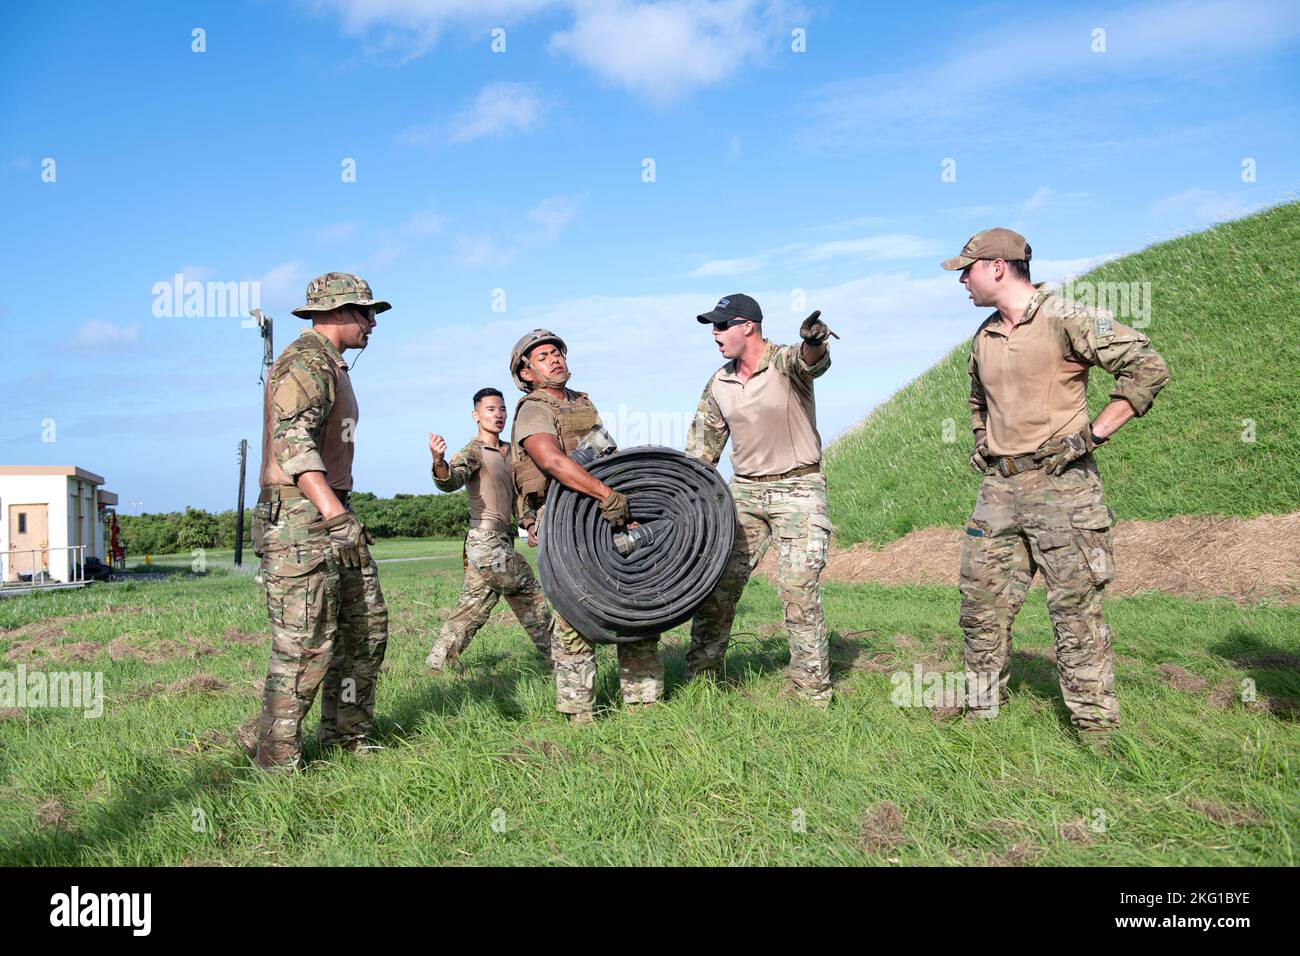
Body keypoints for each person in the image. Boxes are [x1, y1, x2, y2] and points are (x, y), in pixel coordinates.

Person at [944, 228, 1170, 744]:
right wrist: (982, 438)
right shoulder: (984, 335)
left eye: (968, 268)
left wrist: (1093, 434)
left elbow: (1147, 366)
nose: (962, 279)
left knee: (1073, 609)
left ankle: (1096, 732)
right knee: (981, 605)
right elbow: (977, 399)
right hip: (998, 491)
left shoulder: (1066, 318)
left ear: (998, 267)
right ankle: (982, 718)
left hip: (1062, 488)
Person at [238, 272, 391, 769]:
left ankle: (346, 737)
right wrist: (333, 513)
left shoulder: (332, 365)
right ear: (340, 312)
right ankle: (276, 757)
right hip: (303, 517)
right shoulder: (305, 362)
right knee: (305, 643)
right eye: (366, 312)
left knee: (363, 629)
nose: (372, 322)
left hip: (329, 510)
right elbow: (293, 443)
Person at [684, 293, 837, 705]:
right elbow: (701, 450)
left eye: (721, 326)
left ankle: (812, 694)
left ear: (747, 326)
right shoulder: (719, 382)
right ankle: (701, 682)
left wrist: (815, 340)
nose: (714, 335)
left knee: (797, 588)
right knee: (716, 586)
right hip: (745, 493)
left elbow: (812, 361)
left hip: (799, 490)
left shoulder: (786, 361)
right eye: (712, 328)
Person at [509, 329, 663, 722]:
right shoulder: (533, 408)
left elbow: (608, 456)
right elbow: (552, 462)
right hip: (564, 518)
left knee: (632, 600)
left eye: (557, 352)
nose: (554, 359)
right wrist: (605, 495)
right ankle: (580, 713)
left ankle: (644, 701)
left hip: (600, 510)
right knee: (576, 611)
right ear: (526, 373)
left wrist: (618, 499)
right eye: (542, 357)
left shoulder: (582, 403)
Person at [426, 387, 553, 671]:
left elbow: (519, 496)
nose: (498, 415)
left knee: (472, 607)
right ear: (476, 415)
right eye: (490, 409)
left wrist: (529, 523)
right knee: (528, 590)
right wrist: (438, 462)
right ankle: (560, 657)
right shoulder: (473, 451)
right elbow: (451, 480)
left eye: (502, 409)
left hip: (502, 539)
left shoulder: (512, 452)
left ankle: (438, 664)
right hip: (485, 542)